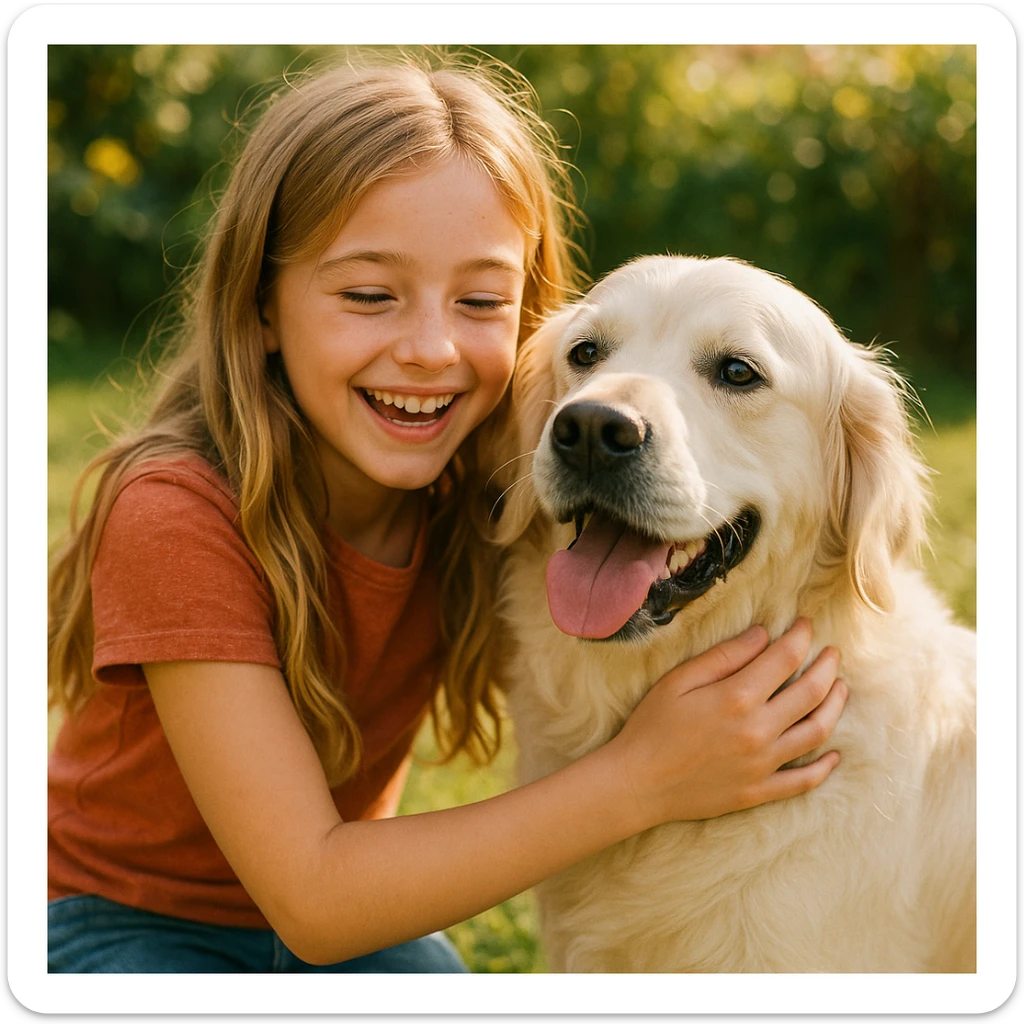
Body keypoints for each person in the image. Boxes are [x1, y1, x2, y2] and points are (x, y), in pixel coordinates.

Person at [47, 53, 848, 974]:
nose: (429, 349)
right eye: (368, 295)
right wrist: (646, 779)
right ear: (262, 303)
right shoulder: (175, 514)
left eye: (479, 302)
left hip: (349, 927)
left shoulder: (489, 489)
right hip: (117, 921)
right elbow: (313, 897)